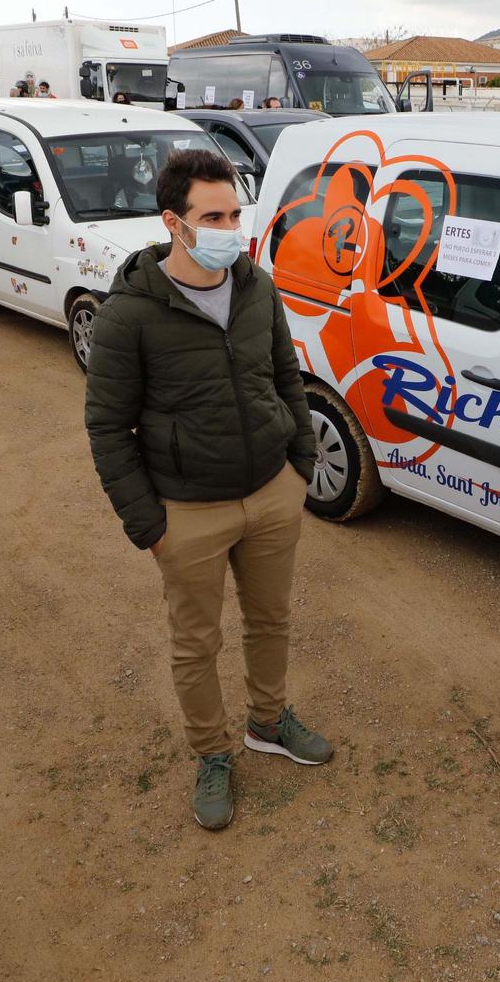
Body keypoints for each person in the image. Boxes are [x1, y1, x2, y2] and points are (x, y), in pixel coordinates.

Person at [84, 148, 328, 832]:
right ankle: (212, 752)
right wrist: (150, 524)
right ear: (175, 222)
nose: (231, 226)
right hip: (187, 511)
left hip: (272, 492)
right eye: (213, 215)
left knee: (272, 618)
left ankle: (269, 719)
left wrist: (299, 465)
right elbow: (106, 427)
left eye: (235, 212)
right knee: (197, 644)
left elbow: (286, 374)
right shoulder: (129, 313)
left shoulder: (256, 285)